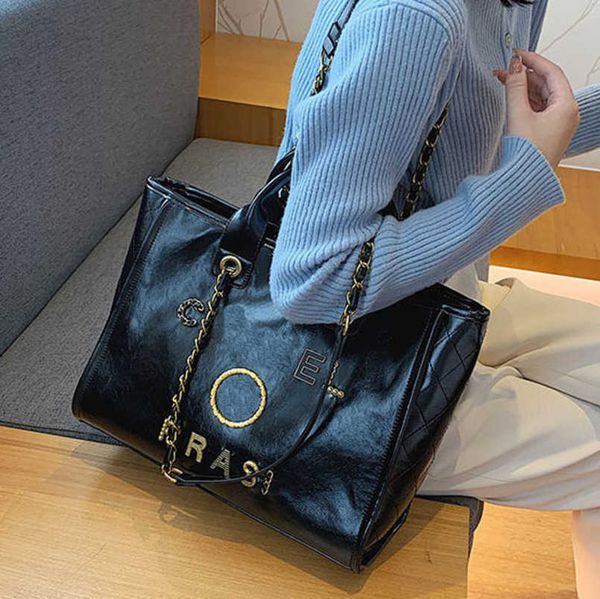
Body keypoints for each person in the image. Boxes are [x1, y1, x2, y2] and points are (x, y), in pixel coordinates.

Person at [268, 0, 600, 596]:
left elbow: (473, 129)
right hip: (344, 367)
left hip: (438, 299)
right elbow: (313, 277)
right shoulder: (414, 15)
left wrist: (555, 130)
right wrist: (523, 177)